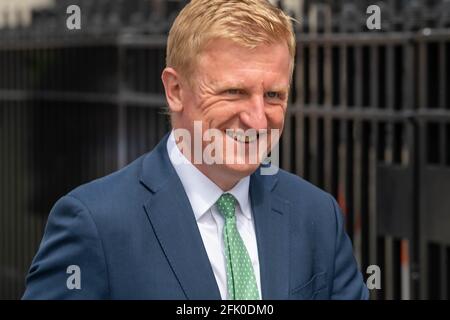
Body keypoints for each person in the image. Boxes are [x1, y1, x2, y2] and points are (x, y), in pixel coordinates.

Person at [23, 0, 369, 300]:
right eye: (233, 92)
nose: (257, 118)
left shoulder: (317, 215)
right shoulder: (95, 224)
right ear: (175, 90)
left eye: (274, 95)